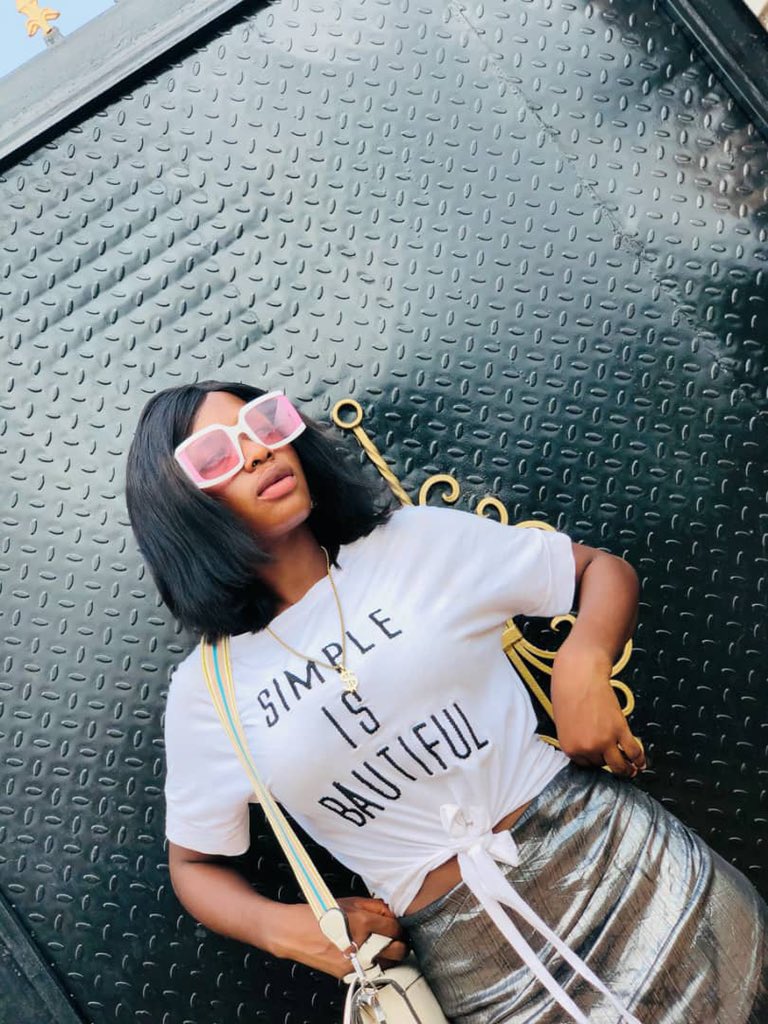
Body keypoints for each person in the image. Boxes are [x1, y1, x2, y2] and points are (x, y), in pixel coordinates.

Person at [125, 379, 768, 1024]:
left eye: (264, 424)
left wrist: (583, 663)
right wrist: (284, 928)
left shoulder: (413, 543)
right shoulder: (210, 691)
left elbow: (599, 571)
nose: (259, 452)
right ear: (177, 505)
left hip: (637, 875)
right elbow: (194, 863)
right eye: (216, 454)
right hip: (476, 966)